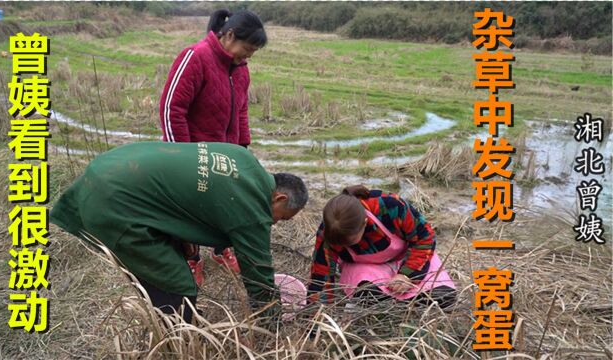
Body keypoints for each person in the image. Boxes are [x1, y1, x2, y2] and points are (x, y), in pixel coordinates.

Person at [50, 142, 308, 323]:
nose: (274, 225)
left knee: (166, 270)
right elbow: (259, 275)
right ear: (279, 198)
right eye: (281, 218)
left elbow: (192, 196)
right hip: (116, 202)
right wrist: (272, 321)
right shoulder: (251, 208)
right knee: (177, 285)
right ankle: (176, 342)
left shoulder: (243, 159)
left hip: (112, 166)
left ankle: (170, 320)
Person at [159, 9, 268, 283]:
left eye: (252, 53)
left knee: (228, 205)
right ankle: (191, 258)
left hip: (225, 155)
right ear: (229, 35)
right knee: (188, 210)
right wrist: (180, 158)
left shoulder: (240, 70)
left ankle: (222, 250)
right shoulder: (195, 57)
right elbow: (172, 109)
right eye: (246, 49)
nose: (247, 57)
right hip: (192, 153)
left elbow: (241, 111)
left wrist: (242, 149)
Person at [307, 185, 456, 309]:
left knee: (443, 297)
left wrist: (407, 275)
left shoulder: (390, 206)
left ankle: (403, 305)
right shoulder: (329, 231)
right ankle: (397, 307)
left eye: (349, 242)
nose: (344, 247)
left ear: (364, 224)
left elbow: (424, 238)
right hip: (365, 268)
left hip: (408, 258)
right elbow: (321, 274)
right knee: (368, 296)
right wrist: (317, 318)